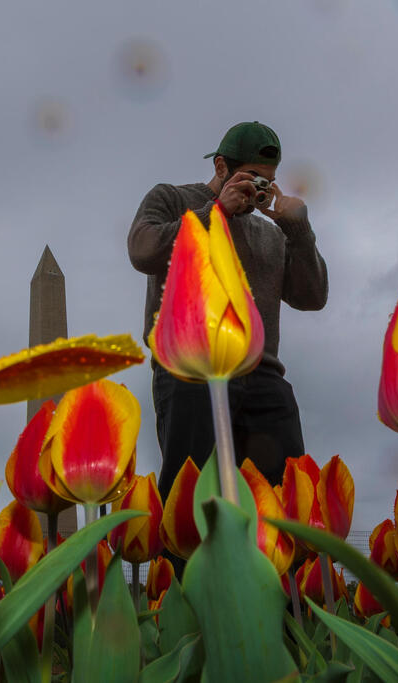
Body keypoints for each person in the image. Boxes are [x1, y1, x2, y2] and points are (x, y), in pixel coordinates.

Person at [128, 121, 328, 506]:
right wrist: (215, 212)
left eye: (268, 181)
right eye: (252, 176)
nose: (260, 188)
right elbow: (142, 251)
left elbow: (312, 297)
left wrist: (299, 231)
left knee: (283, 498)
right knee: (194, 500)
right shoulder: (172, 198)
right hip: (190, 368)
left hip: (263, 373)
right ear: (221, 167)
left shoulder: (271, 233)